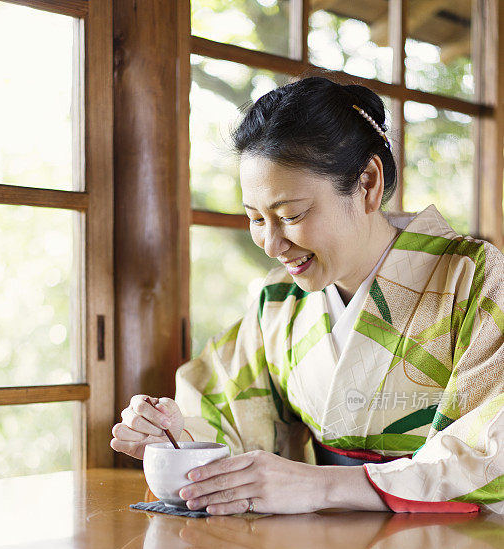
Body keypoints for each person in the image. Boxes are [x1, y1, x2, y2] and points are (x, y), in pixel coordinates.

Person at [111, 75, 504, 516]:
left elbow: (493, 450)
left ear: (367, 184)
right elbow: (223, 410)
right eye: (257, 219)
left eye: (291, 214)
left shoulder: (473, 278)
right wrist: (175, 435)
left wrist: (324, 486)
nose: (273, 245)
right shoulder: (280, 300)